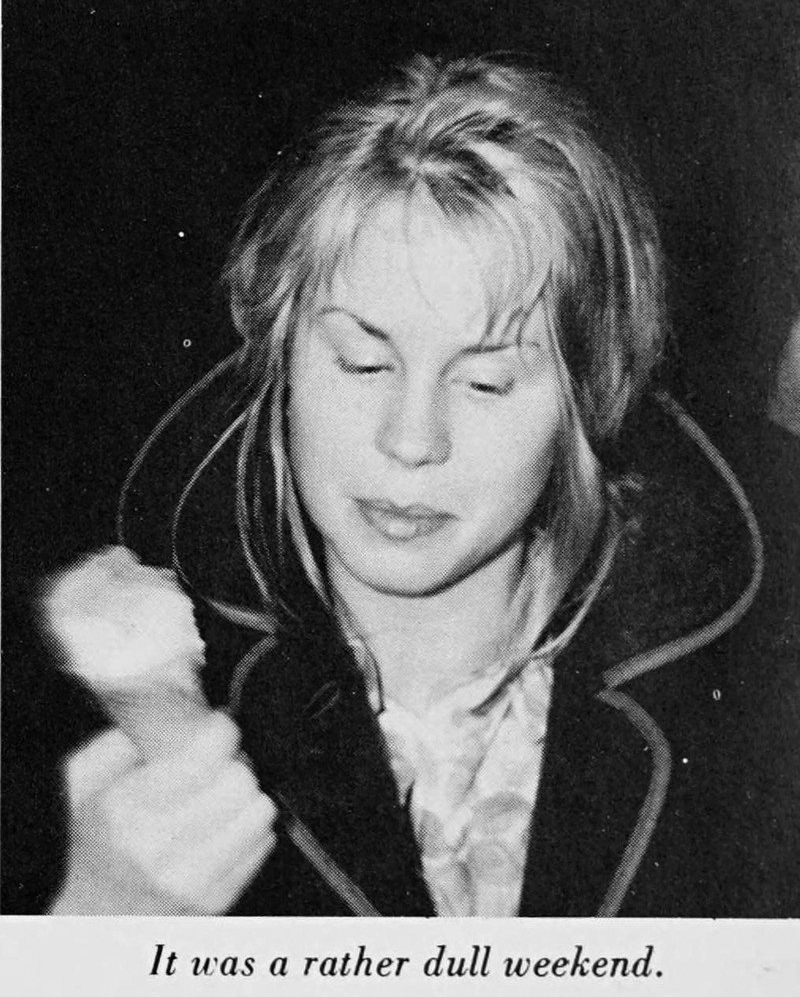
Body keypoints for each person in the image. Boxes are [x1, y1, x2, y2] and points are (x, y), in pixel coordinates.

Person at [48, 54, 770, 917]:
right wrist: (93, 921)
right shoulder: (79, 711)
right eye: (362, 362)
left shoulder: (756, 711)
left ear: (587, 395)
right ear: (280, 354)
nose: (411, 441)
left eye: (486, 382)